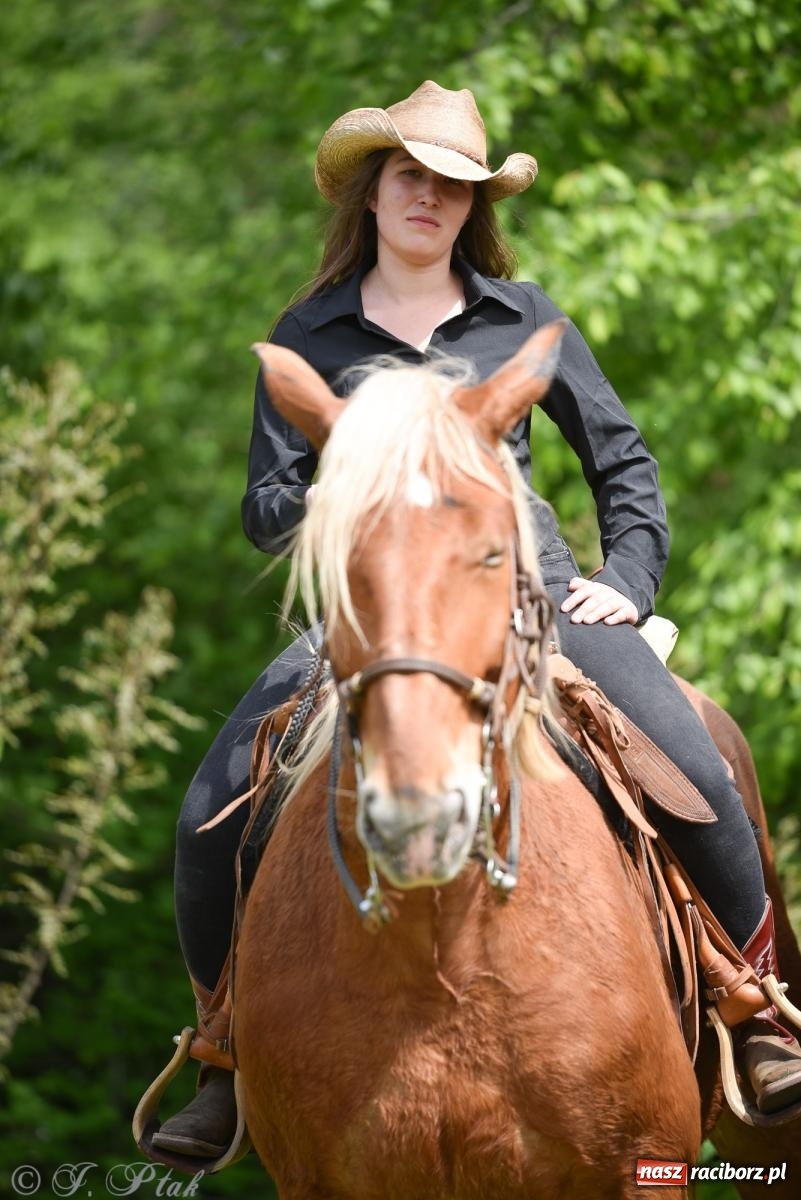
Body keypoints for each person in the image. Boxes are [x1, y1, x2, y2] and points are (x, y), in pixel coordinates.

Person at [153, 81, 801, 1157]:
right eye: (411, 176)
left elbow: (623, 463)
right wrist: (371, 493)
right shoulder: (307, 329)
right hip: (375, 605)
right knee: (211, 807)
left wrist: (629, 582)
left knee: (696, 764)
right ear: (371, 190)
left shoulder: (525, 315)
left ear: (474, 206)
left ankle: (755, 1004)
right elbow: (267, 507)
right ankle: (220, 1047)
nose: (430, 199)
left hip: (531, 592)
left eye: (453, 186)